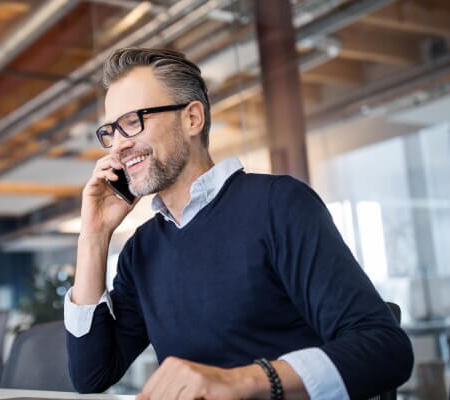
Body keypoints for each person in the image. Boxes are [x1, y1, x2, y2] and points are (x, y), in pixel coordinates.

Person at [64, 48, 413, 400]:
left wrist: (243, 381)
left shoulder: (278, 205)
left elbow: (385, 349)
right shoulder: (142, 250)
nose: (120, 145)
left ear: (192, 119)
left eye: (133, 121)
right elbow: (91, 375)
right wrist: (93, 236)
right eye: (111, 131)